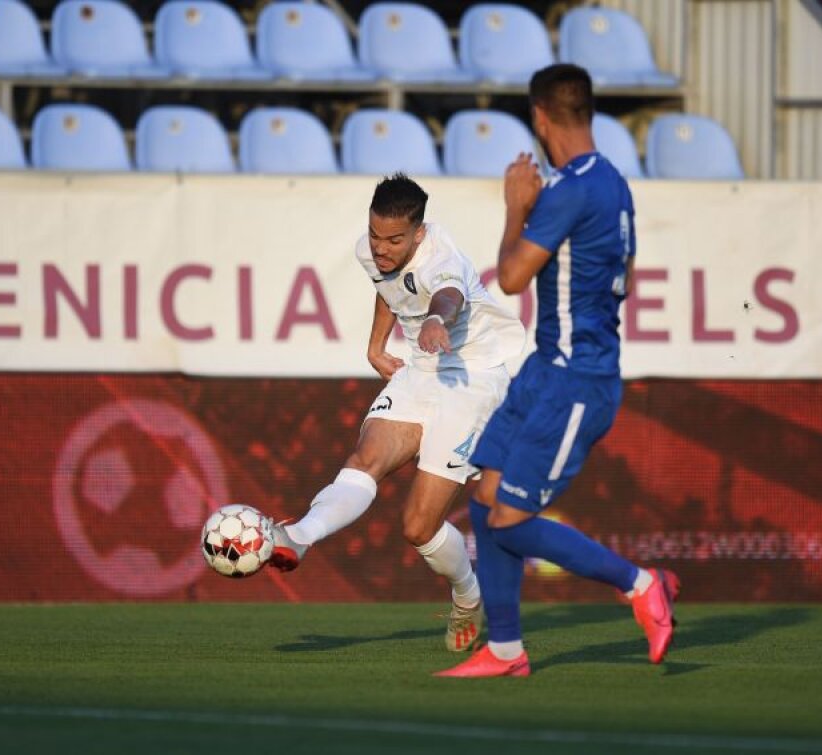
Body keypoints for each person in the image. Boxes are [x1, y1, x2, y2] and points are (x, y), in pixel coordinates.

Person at [437, 64, 679, 678]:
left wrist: (515, 208)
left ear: (541, 118)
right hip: (547, 369)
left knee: (510, 520)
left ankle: (641, 583)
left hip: (576, 379)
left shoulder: (572, 188)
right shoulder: (612, 182)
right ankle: (506, 651)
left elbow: (512, 278)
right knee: (485, 495)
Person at [268, 173, 527, 653]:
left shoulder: (441, 259)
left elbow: (445, 298)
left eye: (394, 239)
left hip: (471, 377)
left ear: (419, 233)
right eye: (375, 235)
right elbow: (390, 289)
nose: (381, 248)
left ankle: (468, 596)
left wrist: (433, 319)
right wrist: (374, 344)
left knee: (417, 528)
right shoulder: (369, 251)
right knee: (366, 457)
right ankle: (298, 537)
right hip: (423, 367)